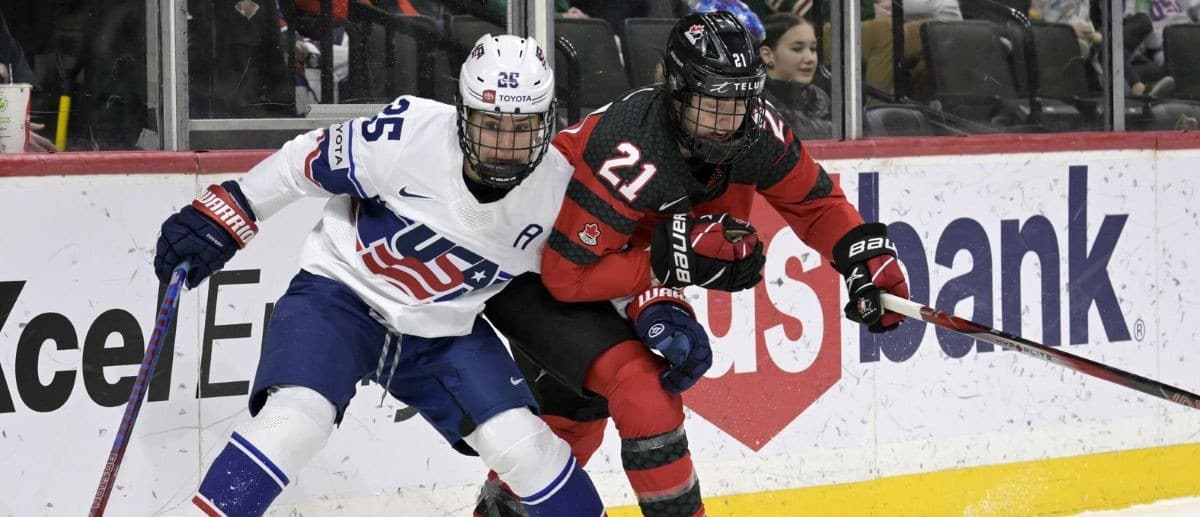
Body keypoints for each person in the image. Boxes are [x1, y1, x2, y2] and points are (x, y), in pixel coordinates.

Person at [476, 9, 911, 517]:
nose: (729, 121)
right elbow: (566, 275)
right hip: (542, 259)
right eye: (712, 104)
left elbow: (815, 204)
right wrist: (668, 266)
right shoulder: (632, 149)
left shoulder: (755, 128)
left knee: (571, 423)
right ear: (676, 92)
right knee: (639, 397)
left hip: (609, 266)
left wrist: (862, 251)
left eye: (742, 100)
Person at [154, 34, 607, 517]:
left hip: (444, 331)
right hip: (340, 300)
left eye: (522, 127)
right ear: (462, 112)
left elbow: (607, 269)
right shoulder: (407, 134)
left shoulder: (560, 191)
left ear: (547, 120)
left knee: (528, 448)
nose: (504, 144)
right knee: (295, 419)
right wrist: (228, 212)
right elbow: (298, 164)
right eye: (489, 123)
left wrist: (655, 307)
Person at [758, 13, 832, 139]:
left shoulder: (821, 98)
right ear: (767, 55)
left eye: (813, 49)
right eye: (797, 49)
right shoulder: (753, 104)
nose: (810, 59)